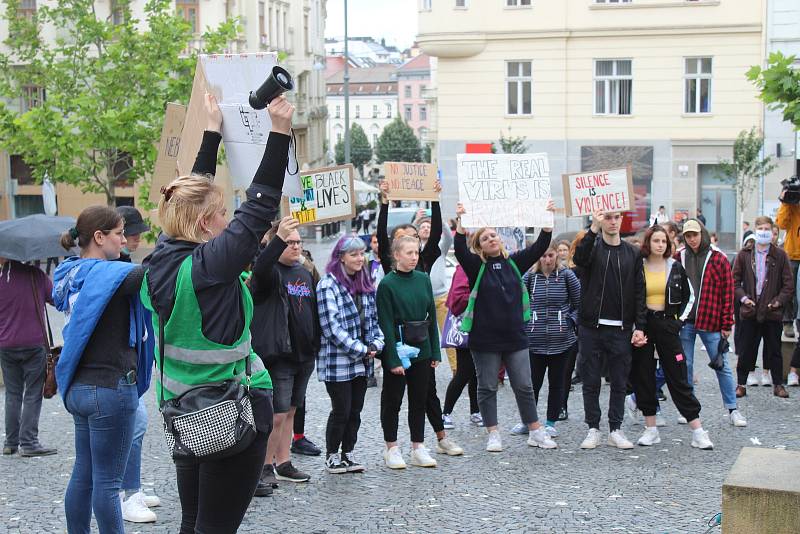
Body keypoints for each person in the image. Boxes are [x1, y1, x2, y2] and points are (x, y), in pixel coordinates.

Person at [140, 94, 293, 532]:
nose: (230, 221)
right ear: (207, 225)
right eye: (223, 214)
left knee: (193, 520)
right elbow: (261, 205)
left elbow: (188, 198)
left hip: (183, 412)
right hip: (227, 411)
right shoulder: (210, 268)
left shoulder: (159, 259)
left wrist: (211, 130)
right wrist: (279, 133)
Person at [54, 206, 149, 534]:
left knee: (84, 475)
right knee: (108, 484)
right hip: (111, 387)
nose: (124, 241)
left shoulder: (71, 272)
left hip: (79, 387)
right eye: (119, 234)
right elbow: (147, 272)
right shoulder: (111, 276)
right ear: (98, 237)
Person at [454, 202, 558, 453]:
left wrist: (546, 222)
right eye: (485, 238)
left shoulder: (514, 262)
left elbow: (539, 248)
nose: (491, 239)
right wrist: (460, 222)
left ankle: (535, 431)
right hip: (485, 340)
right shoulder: (476, 267)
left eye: (493, 235)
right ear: (479, 247)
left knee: (523, 385)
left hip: (515, 338)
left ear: (500, 240)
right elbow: (459, 250)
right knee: (488, 386)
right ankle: (493, 434)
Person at [376, 180, 462, 456]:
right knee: (394, 398)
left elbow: (429, 320)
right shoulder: (388, 281)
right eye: (408, 252)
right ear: (395, 253)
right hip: (399, 345)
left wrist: (435, 199)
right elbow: (386, 323)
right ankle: (393, 447)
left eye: (416, 251)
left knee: (423, 394)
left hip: (421, 343)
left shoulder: (423, 273)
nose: (414, 256)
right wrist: (384, 203)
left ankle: (424, 442)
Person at [250, 216, 320, 493]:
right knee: (276, 415)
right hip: (280, 355)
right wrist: (274, 238)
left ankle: (284, 461)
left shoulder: (304, 273)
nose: (295, 247)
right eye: (289, 242)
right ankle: (265, 466)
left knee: (291, 410)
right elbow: (262, 266)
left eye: (298, 242)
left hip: (304, 355)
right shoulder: (269, 273)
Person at [628, 226, 713, 449]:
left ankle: (698, 431)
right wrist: (635, 328)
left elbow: (691, 296)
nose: (660, 245)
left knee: (678, 376)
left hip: (668, 326)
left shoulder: (675, 267)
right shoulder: (639, 267)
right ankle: (651, 429)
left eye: (663, 241)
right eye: (656, 240)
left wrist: (678, 322)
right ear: (648, 243)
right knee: (643, 377)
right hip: (644, 326)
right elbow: (631, 299)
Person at [571, 210, 646, 450]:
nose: (612, 222)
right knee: (590, 379)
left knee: (619, 381)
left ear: (621, 221)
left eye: (616, 218)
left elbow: (639, 291)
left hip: (621, 328)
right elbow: (580, 259)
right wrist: (593, 228)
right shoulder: (592, 248)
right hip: (591, 327)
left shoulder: (632, 253)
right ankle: (593, 427)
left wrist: (640, 326)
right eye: (608, 218)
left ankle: (616, 428)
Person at [316, 235, 385, 473]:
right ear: (341, 257)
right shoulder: (328, 285)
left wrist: (376, 344)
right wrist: (362, 349)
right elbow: (331, 328)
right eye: (353, 254)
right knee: (341, 409)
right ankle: (332, 454)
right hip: (338, 362)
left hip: (362, 362)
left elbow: (374, 321)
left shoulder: (365, 284)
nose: (359, 258)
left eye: (361, 253)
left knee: (355, 411)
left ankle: (348, 453)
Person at [675, 219, 747, 427]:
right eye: (688, 236)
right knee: (685, 365)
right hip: (686, 320)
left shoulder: (718, 257)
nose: (692, 239)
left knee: (721, 365)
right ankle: (689, 410)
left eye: (695, 235)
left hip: (711, 320)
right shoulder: (679, 256)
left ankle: (733, 409)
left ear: (702, 234)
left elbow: (728, 292)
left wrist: (727, 323)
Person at [114, 206, 160, 523]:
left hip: (133, 364)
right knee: (133, 425)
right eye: (128, 233)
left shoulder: (125, 265)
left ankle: (131, 489)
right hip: (121, 367)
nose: (134, 238)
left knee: (136, 425)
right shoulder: (116, 270)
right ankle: (125, 493)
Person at [513, 243, 580, 438]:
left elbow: (579, 304)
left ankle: (551, 422)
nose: (547, 260)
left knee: (557, 383)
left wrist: (570, 321)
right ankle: (529, 422)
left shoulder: (567, 276)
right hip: (535, 341)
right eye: (543, 256)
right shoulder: (530, 277)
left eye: (550, 255)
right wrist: (525, 324)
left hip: (562, 341)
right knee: (531, 384)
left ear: (557, 256)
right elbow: (518, 302)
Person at [0, 257, 57, 457]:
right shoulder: (36, 275)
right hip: (34, 344)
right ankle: (29, 442)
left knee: (13, 394)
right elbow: (56, 299)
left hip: (6, 345)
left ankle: (10, 442)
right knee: (33, 393)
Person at [732, 216, 794, 399]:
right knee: (746, 349)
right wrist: (743, 298)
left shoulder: (780, 255)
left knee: (774, 349)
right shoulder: (744, 254)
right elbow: (734, 281)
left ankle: (778, 385)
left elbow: (788, 285)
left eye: (768, 228)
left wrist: (778, 302)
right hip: (750, 310)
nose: (764, 232)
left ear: (772, 231)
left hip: (771, 311)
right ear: (755, 229)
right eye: (761, 228)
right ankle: (741, 384)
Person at [441, 265, 482, 428]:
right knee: (464, 372)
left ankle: (475, 411)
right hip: (465, 328)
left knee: (476, 374)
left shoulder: (485, 265)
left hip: (482, 327)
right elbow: (457, 299)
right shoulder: (464, 268)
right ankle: (445, 413)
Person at [776, 188, 800, 338]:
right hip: (792, 253)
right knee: (789, 290)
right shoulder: (792, 206)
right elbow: (781, 224)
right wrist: (785, 202)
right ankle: (787, 321)